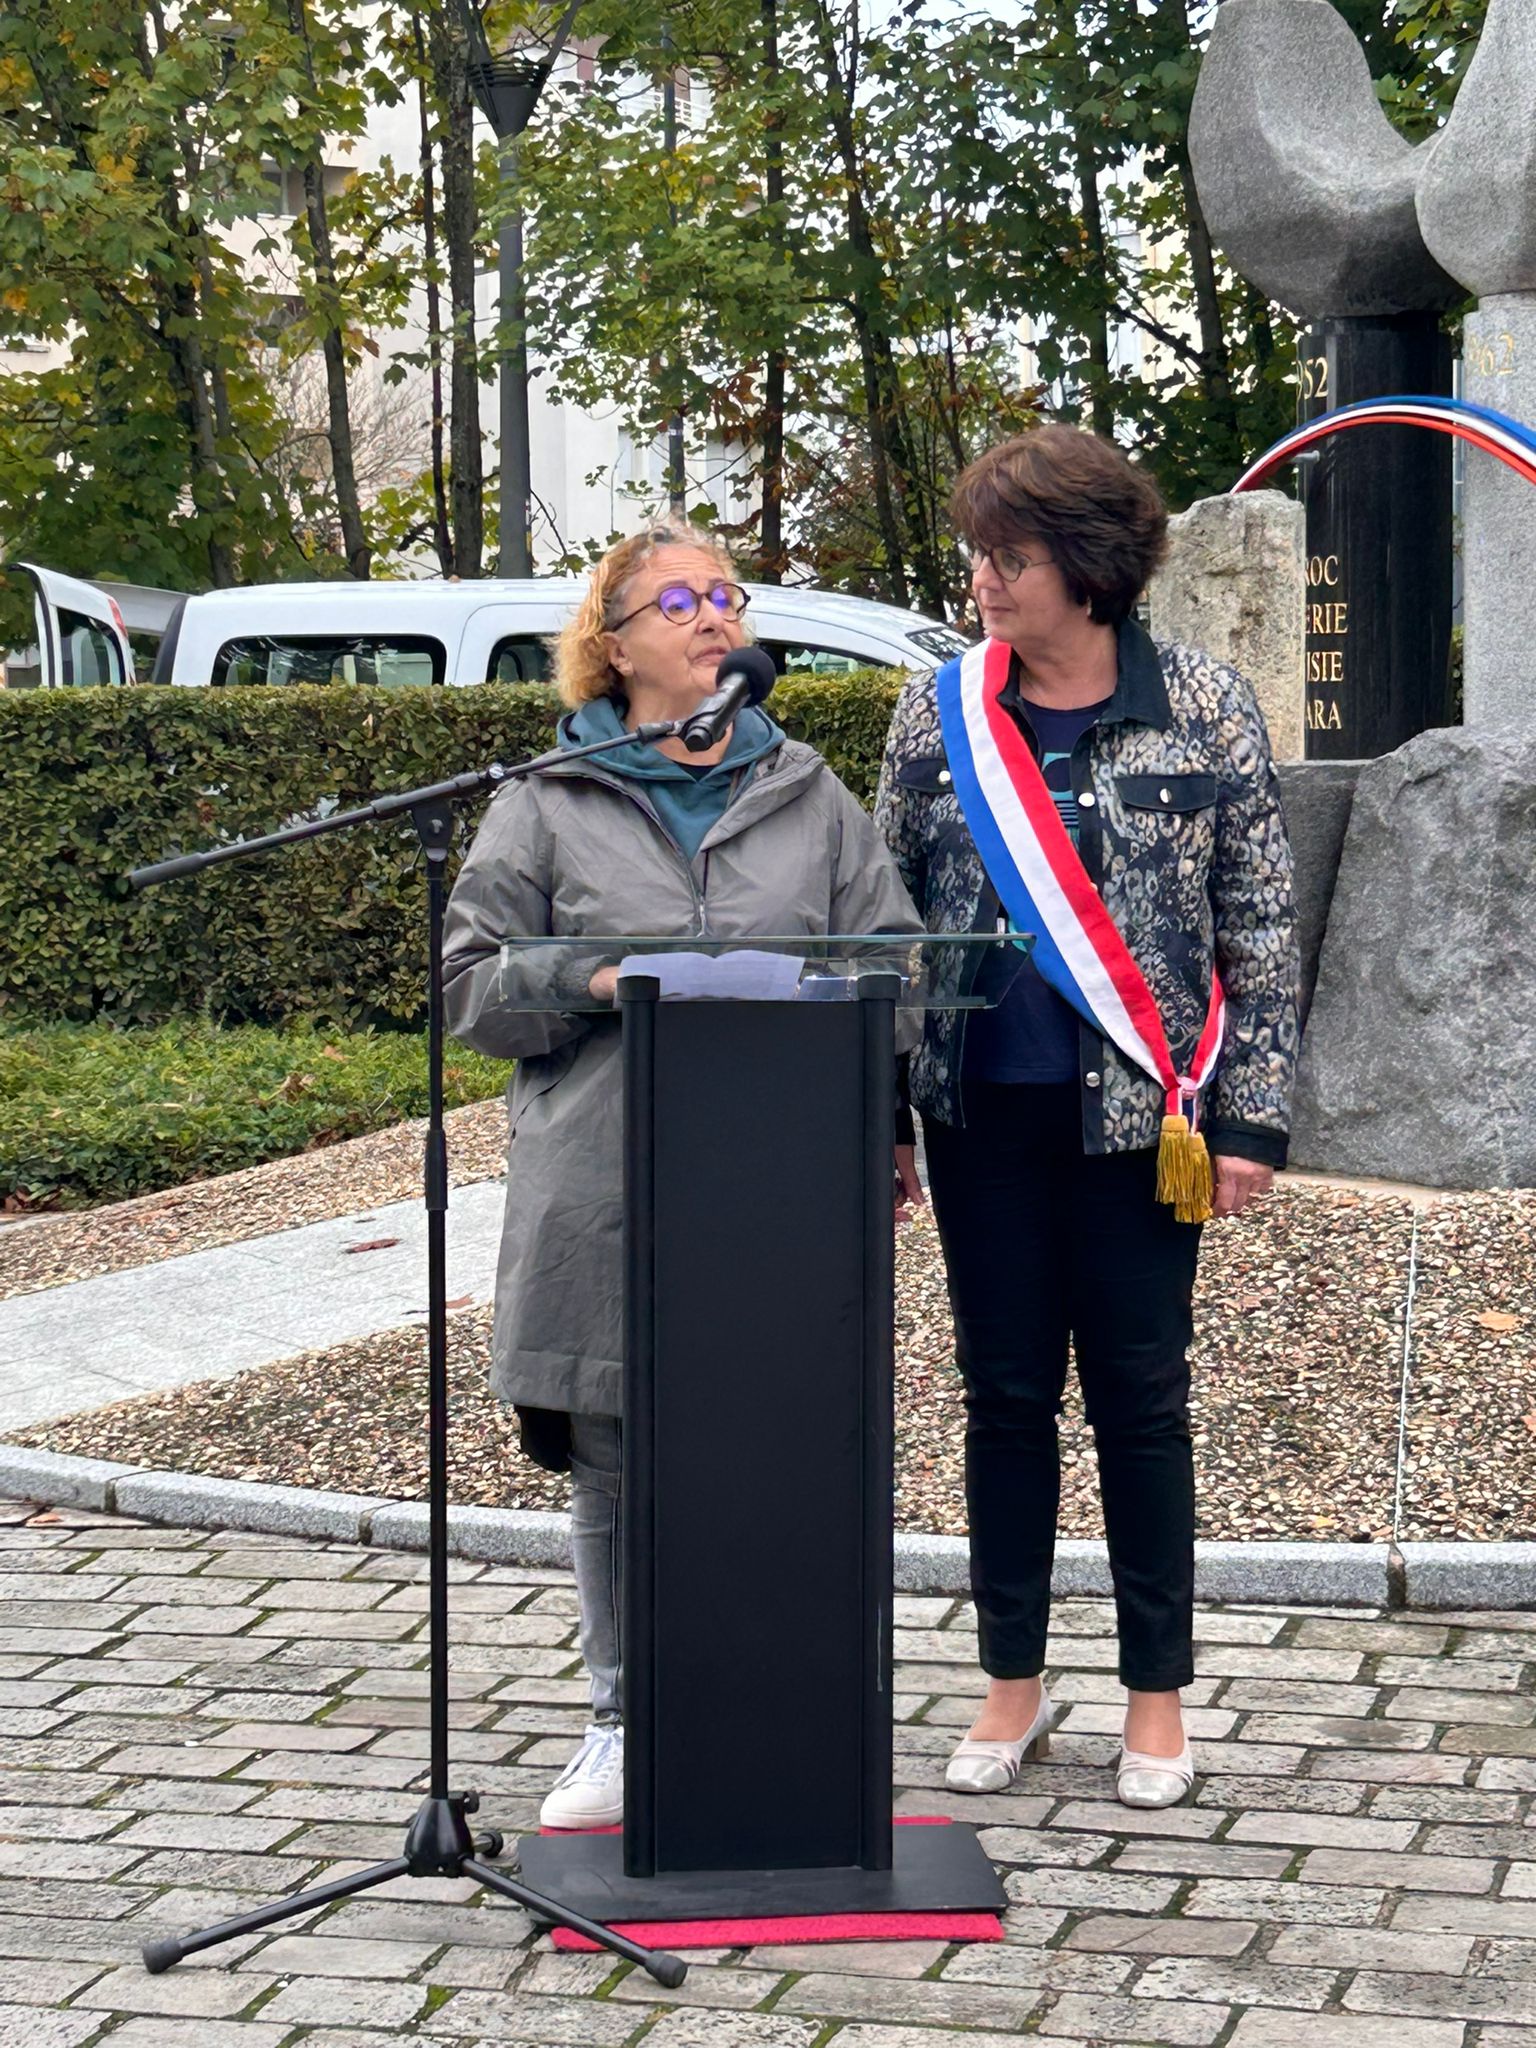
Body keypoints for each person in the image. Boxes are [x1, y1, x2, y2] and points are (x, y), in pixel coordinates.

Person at [444, 521, 920, 1830]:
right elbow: (469, 984)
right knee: (613, 1442)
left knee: (773, 1441)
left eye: (728, 595)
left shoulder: (809, 791)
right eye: (682, 600)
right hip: (608, 1177)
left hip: (781, 1181)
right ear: (614, 641)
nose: (716, 617)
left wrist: (881, 1099)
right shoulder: (543, 798)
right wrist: (596, 979)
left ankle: (770, 1706)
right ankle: (620, 1719)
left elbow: (896, 957)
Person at [875, 426, 1299, 1809]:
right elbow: (886, 925)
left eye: (1010, 555)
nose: (983, 578)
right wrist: (880, 1115)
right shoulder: (935, 716)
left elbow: (1263, 929)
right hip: (977, 1114)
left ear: (1092, 566)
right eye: (981, 554)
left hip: (1144, 1122)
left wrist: (1255, 1121)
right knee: (1001, 1398)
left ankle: (1157, 1698)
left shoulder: (1208, 708)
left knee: (1141, 1402)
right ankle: (1011, 1681)